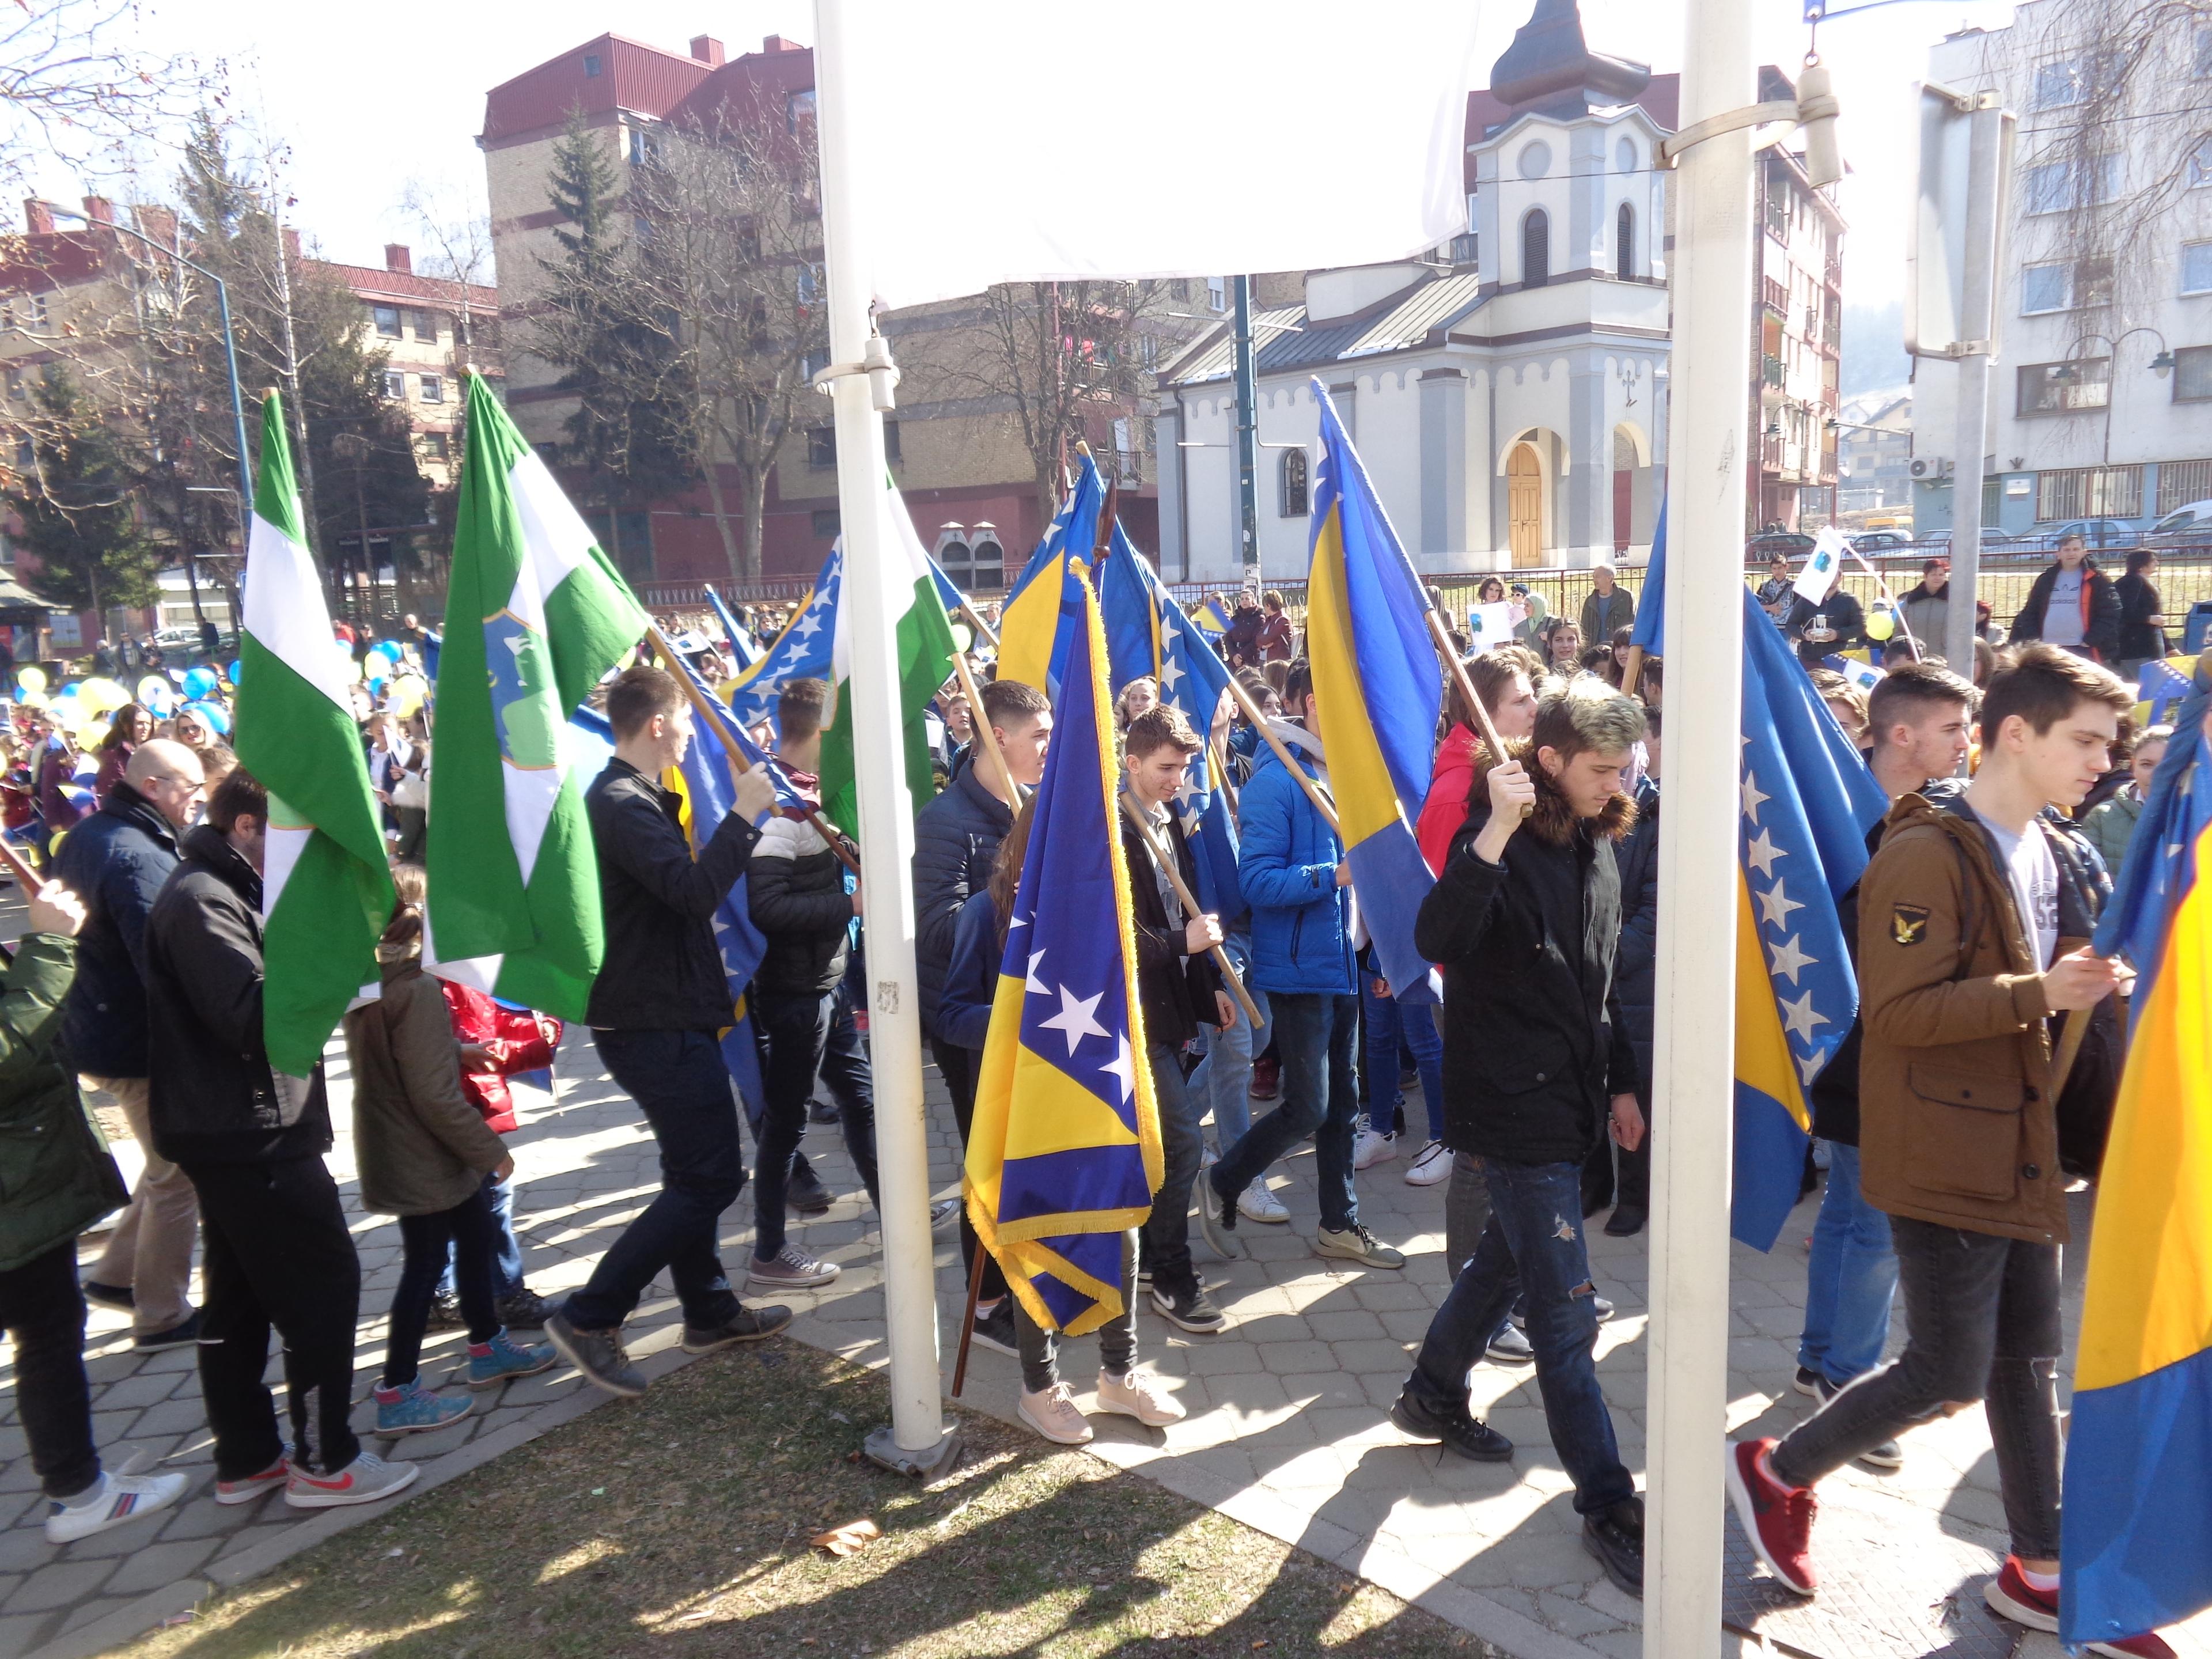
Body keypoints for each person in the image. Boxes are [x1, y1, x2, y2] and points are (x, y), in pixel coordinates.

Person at [1725, 646, 2177, 1657]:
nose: (2106, 761)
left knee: (2028, 1362)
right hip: (1940, 1146)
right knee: (1948, 1369)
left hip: (2024, 1144)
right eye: (2089, 740)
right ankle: (1772, 1472)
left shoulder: (2052, 848)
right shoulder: (1926, 852)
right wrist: (2044, 994)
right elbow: (1900, 1012)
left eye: (2112, 743)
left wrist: (2101, 991)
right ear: (2017, 734)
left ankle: (2040, 1572)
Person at [1391, 679, 1647, 1596]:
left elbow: (1601, 975)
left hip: (1573, 1102)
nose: (1616, 782)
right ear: (1546, 761)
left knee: (1501, 1265)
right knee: (1564, 1318)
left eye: (1624, 766)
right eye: (1600, 767)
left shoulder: (1601, 839)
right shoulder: (1491, 840)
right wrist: (1491, 833)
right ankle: (1609, 1502)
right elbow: (1436, 934)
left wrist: (1620, 1084)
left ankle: (1429, 1393)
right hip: (1512, 1107)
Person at [145, 767, 413, 1508]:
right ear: (247, 828)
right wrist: (328, 949)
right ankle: (327, 1463)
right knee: (322, 1283)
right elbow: (246, 1018)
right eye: (297, 837)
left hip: (238, 1124)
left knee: (238, 1295)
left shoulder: (220, 888)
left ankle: (247, 1457)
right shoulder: (202, 897)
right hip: (248, 1129)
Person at [547, 667, 789, 1398]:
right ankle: (592, 1315)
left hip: (667, 1013)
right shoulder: (621, 802)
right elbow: (689, 895)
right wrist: (745, 815)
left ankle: (709, 1309)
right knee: (711, 1175)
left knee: (694, 1172)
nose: (691, 734)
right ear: (658, 724)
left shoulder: (639, 797)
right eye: (685, 721)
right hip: (649, 1022)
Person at [1791, 661, 1976, 1472]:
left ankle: (1820, 1358)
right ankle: (1850, 1382)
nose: (1966, 744)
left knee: (1847, 1210)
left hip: (1877, 1045)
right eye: (1952, 730)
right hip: (1861, 1047)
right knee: (1875, 1224)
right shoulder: (1848, 819)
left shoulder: (1930, 813)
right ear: (1902, 735)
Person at [1, 877, 193, 1543]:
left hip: (22, 1186)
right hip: (12, 1196)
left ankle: (78, 1486)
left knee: (47, 1329)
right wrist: (47, 944)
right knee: (48, 1334)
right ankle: (80, 1494)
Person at [1201, 658, 1404, 1271]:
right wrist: (1334, 875)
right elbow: (1256, 882)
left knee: (1345, 1101)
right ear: (1315, 704)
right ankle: (1221, 1181)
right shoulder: (1280, 779)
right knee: (1309, 1106)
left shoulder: (1349, 775)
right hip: (1297, 969)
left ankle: (1340, 1223)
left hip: (1344, 962)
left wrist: (1386, 947)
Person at [345, 866, 555, 1435]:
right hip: (425, 1151)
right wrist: (491, 1153)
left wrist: (458, 1049)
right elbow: (435, 1097)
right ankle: (397, 1390)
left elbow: (403, 1054)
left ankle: (488, 1347)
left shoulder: (373, 978)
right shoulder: (416, 990)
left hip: (405, 1142)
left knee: (478, 1234)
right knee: (424, 1266)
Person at [912, 676, 1051, 1357]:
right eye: (1039, 736)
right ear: (998, 738)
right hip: (972, 1022)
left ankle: (1025, 1273)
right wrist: (1014, 908)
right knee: (987, 1158)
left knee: (1027, 1154)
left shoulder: (1039, 806)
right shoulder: (945, 823)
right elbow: (935, 929)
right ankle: (987, 1300)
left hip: (1035, 1015)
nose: (1049, 747)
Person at [60, 739, 206, 1351]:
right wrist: (202, 1037)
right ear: (152, 786)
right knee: (181, 1171)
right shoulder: (133, 854)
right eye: (188, 791)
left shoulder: (91, 835)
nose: (195, 805)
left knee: (161, 1162)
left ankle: (118, 1276)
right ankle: (161, 1313)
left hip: (101, 1029)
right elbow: (163, 963)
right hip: (136, 1042)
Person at [747, 679, 865, 1293]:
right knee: (786, 1125)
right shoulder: (781, 810)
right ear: (822, 731)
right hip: (795, 993)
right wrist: (849, 903)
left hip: (829, 982)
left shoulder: (814, 797)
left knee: (864, 1102)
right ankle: (768, 1252)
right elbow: (766, 906)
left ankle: (900, 1212)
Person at [1119, 705, 1232, 1335]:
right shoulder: (1115, 830)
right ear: (1131, 762)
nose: (1176, 779)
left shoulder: (1166, 819)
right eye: (1165, 768)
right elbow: (1114, 939)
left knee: (1161, 1145)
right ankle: (1169, 1273)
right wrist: (1182, 945)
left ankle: (1143, 1255)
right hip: (1132, 1019)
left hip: (1171, 1009)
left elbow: (1184, 914)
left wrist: (1208, 984)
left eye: (1183, 768)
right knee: (1182, 1141)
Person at [433, 975, 563, 1331]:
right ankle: (503, 1296)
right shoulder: (425, 982)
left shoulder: (458, 974)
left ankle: (443, 1295)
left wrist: (538, 1032)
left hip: (469, 1104)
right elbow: (467, 1053)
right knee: (486, 1200)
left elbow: (489, 1025)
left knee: (456, 1205)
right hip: (457, 1108)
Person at [1596, 702, 1659, 1235]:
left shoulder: (1655, 818)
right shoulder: (1580, 816)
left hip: (1632, 985)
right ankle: (1594, 1183)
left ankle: (1635, 1197)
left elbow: (1656, 913)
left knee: (1635, 1090)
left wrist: (1602, 959)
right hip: (1590, 982)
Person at [2007, 532, 2120, 662]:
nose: (2071, 553)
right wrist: (2035, 639)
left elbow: (2112, 611)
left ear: (2084, 552)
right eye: (2066, 550)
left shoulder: (2098, 579)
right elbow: (2030, 612)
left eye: (2076, 549)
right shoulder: (2046, 579)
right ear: (2058, 554)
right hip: (2048, 647)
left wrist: (2091, 640)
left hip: (2083, 648)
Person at [2081, 723, 2167, 881]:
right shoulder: (2102, 817)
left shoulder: (2200, 818)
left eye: (2167, 765)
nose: (2156, 774)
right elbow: (2089, 883)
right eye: (2147, 764)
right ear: (2133, 765)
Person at [2111, 548, 2166, 677]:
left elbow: (2157, 620)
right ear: (2141, 564)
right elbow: (2123, 612)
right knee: (2144, 689)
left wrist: (2169, 646)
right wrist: (2148, 619)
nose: (2157, 563)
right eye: (2153, 560)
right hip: (2136, 648)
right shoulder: (2131, 582)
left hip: (2148, 645)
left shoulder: (2145, 582)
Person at [92, 703, 153, 803]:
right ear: (125, 726)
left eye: (148, 723)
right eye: (140, 723)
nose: (145, 728)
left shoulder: (150, 752)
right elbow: (113, 790)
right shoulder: (112, 755)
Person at [1897, 559, 1950, 656]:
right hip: (1915, 658)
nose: (1937, 578)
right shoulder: (1912, 600)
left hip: (1946, 658)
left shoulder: (1954, 600)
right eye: (1933, 575)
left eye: (1941, 575)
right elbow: (1900, 629)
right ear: (1925, 576)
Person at [1579, 562, 1635, 645]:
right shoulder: (1590, 601)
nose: (1594, 580)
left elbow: (1633, 624)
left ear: (1609, 578)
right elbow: (1584, 629)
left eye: (1597, 577)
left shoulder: (1626, 598)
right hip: (1597, 650)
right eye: (1593, 577)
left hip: (1620, 647)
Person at [1756, 553, 1796, 623]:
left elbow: (1799, 608)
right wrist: (1769, 608)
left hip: (1787, 625)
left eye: (1780, 568)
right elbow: (1756, 606)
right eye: (1774, 569)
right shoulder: (1764, 586)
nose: (1777, 571)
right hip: (1769, 624)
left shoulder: (1795, 587)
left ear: (1786, 567)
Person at [1257, 590, 1295, 664]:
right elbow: (1258, 639)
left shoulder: (1283, 621)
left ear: (1269, 606)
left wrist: (1264, 642)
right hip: (1269, 660)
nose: (1264, 608)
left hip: (1280, 662)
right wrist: (1264, 646)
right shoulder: (1269, 619)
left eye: (1264, 606)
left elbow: (1267, 639)